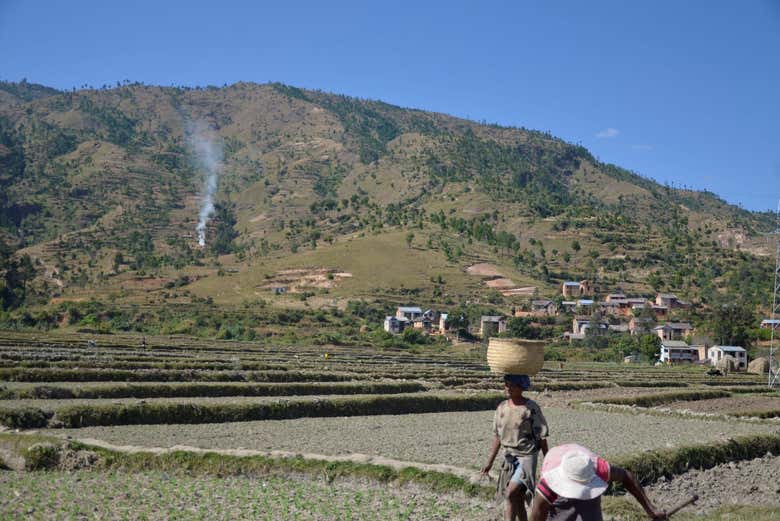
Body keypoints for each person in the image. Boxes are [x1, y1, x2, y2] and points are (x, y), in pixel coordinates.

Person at [530, 443, 667, 521]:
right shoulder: (549, 482)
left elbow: (627, 476)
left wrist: (651, 509)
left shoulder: (599, 469)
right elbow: (538, 514)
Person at [481, 374, 549, 521]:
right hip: (509, 458)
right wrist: (489, 462)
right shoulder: (502, 408)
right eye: (506, 384)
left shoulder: (531, 408)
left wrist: (548, 463)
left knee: (510, 493)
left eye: (512, 385)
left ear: (521, 387)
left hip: (526, 457)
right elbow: (497, 436)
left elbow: (541, 437)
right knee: (517, 498)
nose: (508, 388)